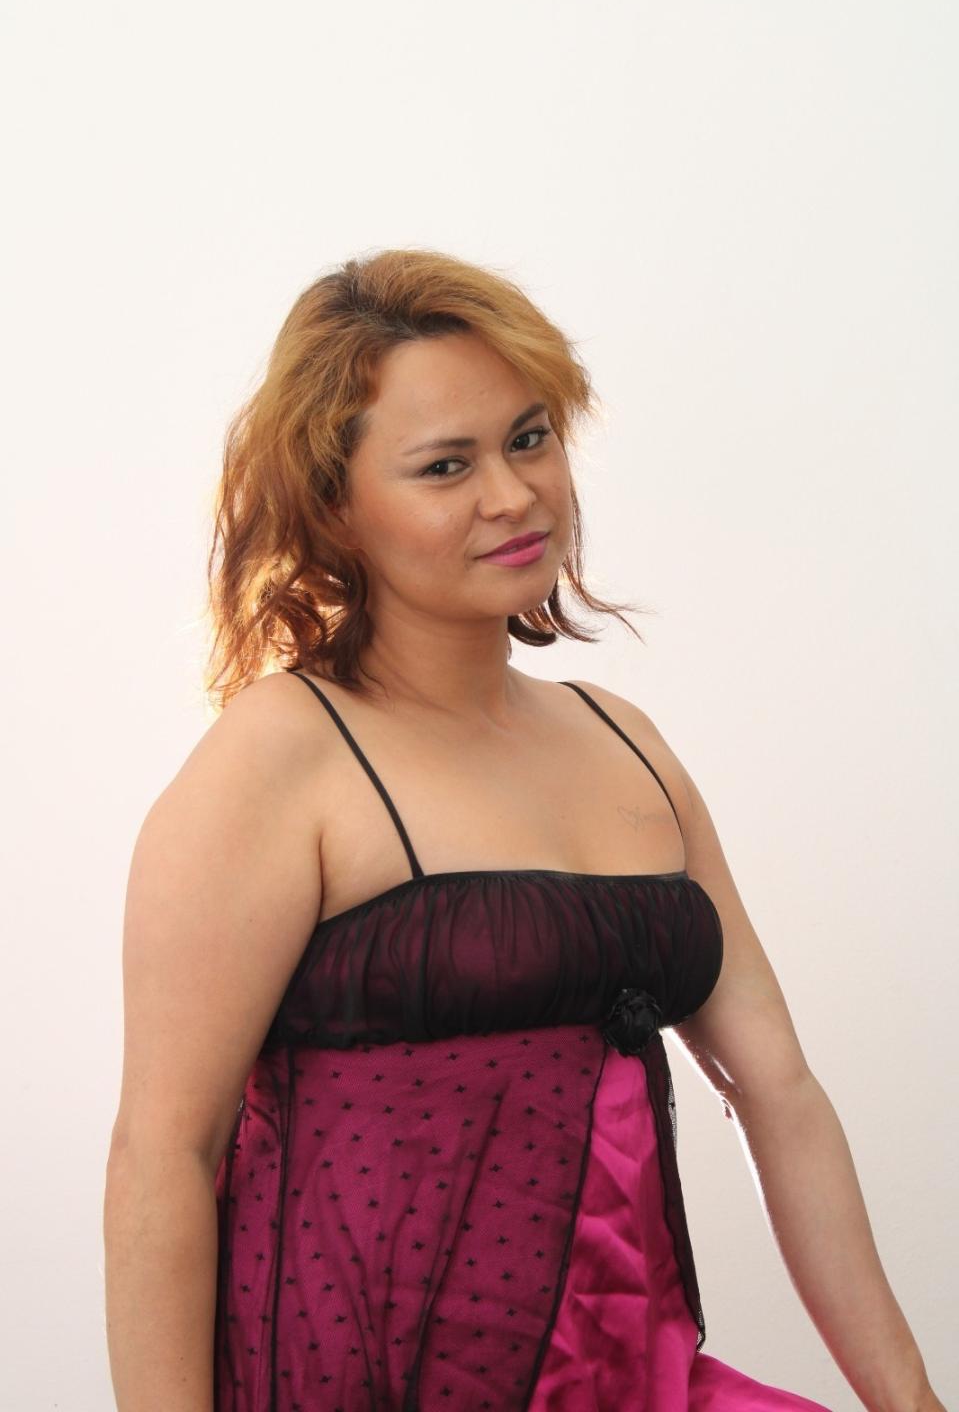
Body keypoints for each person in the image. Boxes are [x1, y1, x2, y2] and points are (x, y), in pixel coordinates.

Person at [103, 248, 944, 1411]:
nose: (512, 496)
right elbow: (162, 1155)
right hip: (359, 1381)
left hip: (626, 1375)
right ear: (334, 506)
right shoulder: (280, 755)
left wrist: (908, 1400)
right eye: (445, 466)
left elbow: (779, 1094)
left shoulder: (624, 741)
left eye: (529, 439)